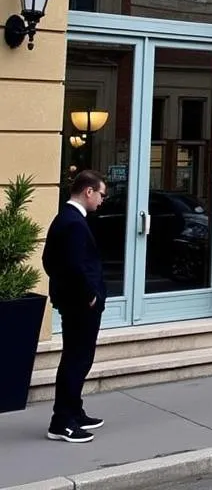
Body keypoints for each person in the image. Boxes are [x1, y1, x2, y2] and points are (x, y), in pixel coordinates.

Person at [41, 169, 108, 444]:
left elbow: (48, 260)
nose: (102, 201)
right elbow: (73, 266)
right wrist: (89, 296)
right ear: (88, 191)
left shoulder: (65, 219)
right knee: (76, 360)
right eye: (101, 195)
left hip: (75, 303)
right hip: (81, 305)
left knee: (78, 358)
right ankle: (62, 422)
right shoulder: (72, 223)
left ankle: (74, 411)